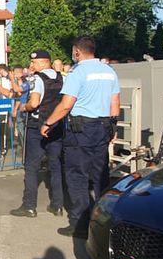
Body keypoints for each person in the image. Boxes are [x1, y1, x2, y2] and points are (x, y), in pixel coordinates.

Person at [41, 36, 120, 238]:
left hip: (80, 130)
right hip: (102, 127)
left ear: (77, 52)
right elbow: (115, 102)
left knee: (77, 177)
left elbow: (66, 104)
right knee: (100, 175)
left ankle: (80, 224)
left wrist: (48, 123)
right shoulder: (109, 71)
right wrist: (113, 127)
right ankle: (103, 222)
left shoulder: (78, 72)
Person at [11, 50, 65, 218]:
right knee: (55, 166)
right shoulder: (63, 77)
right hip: (56, 125)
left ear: (42, 62)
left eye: (33, 63)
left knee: (31, 167)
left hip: (37, 126)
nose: (31, 66)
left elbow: (34, 103)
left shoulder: (36, 79)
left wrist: (24, 107)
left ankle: (29, 206)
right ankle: (57, 205)